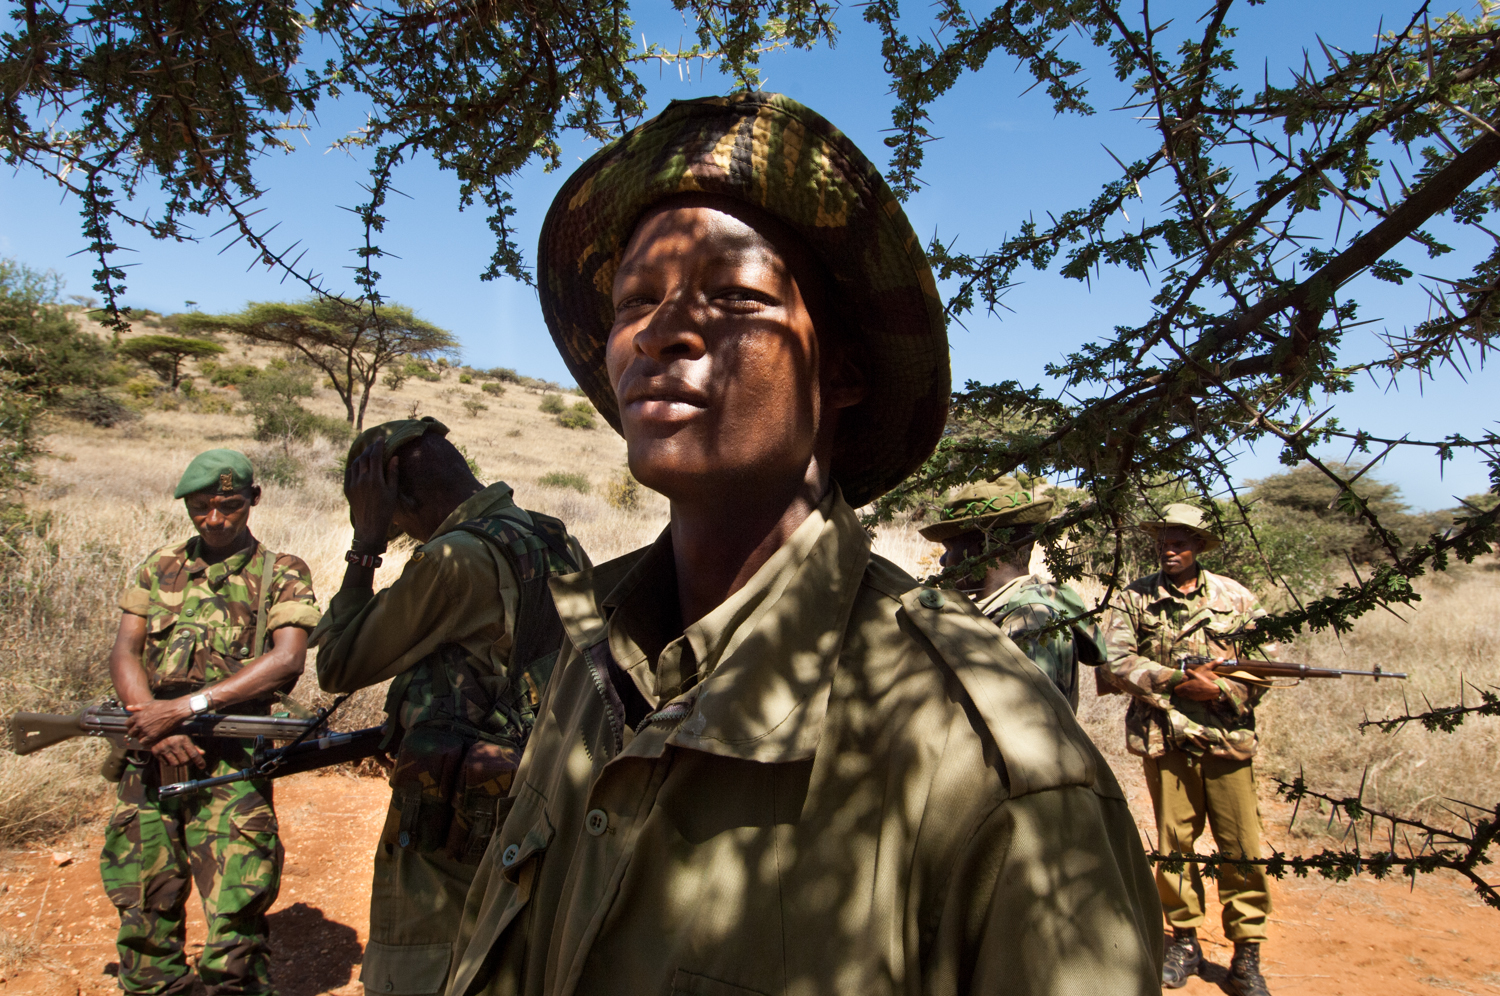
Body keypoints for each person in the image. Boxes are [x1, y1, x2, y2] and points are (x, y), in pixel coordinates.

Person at [445, 92, 1161, 996]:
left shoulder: (991, 766)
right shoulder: (594, 656)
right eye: (636, 299)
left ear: (845, 371)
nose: (662, 330)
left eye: (737, 296)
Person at [310, 417, 588, 996]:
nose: (396, 531)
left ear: (402, 498)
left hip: (459, 819)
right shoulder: (552, 535)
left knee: (429, 963)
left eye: (392, 517)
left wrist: (364, 546)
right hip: (543, 796)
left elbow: (338, 665)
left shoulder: (453, 559)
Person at [102, 448, 321, 996]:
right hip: (150, 754)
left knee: (236, 914)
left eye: (228, 505)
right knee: (143, 903)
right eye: (200, 507)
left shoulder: (282, 572)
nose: (214, 519)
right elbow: (125, 652)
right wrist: (156, 725)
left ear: (254, 499)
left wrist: (183, 709)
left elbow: (286, 659)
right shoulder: (160, 566)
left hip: (231, 763)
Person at [1100, 502, 1275, 996]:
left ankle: (1247, 953)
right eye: (1163, 542)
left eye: (1179, 542)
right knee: (1175, 845)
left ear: (1199, 547)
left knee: (1241, 847)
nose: (1169, 550)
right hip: (1166, 739)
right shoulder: (1134, 598)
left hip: (1226, 742)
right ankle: (1184, 942)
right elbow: (1114, 663)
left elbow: (1266, 665)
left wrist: (1220, 691)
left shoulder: (1237, 599)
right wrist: (1176, 681)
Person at [919, 477, 1106, 710]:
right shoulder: (1007, 608)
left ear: (983, 548)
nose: (944, 560)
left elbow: (1028, 730)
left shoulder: (1030, 620)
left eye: (949, 549)